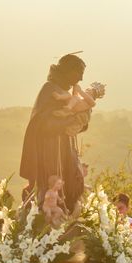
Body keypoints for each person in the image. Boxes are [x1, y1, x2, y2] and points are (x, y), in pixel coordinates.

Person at [19, 53, 91, 214]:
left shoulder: (65, 91)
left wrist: (81, 119)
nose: (80, 78)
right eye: (78, 73)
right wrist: (70, 120)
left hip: (65, 148)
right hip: (49, 151)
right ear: (68, 70)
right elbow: (42, 123)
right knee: (50, 187)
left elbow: (79, 124)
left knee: (72, 184)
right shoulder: (49, 89)